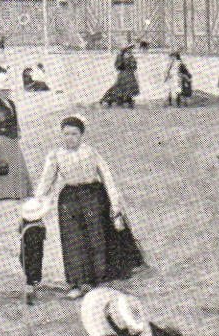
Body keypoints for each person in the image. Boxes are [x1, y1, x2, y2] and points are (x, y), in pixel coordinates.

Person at [35, 116, 142, 299]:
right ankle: (76, 283)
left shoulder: (91, 152)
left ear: (81, 135)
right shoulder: (56, 155)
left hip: (93, 196)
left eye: (74, 134)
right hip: (69, 199)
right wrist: (36, 202)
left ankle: (97, 281)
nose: (70, 138)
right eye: (66, 134)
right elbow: (46, 180)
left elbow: (107, 177)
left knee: (96, 239)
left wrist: (115, 204)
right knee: (72, 241)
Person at [0, 77, 33, 201]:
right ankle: (0, 193)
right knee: (1, 165)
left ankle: (19, 191)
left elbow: (15, 120)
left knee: (16, 165)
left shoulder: (12, 103)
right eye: (3, 90)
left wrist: (18, 130)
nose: (6, 92)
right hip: (0, 139)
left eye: (7, 90)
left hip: (12, 138)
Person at [19, 197, 48, 304]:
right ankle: (32, 280)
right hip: (33, 236)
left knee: (28, 257)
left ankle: (31, 280)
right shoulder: (40, 225)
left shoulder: (27, 223)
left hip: (29, 237)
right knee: (35, 257)